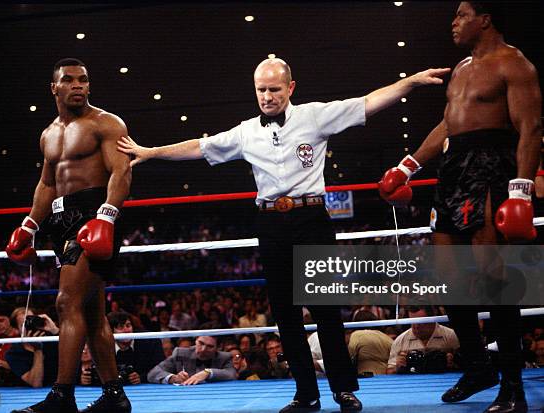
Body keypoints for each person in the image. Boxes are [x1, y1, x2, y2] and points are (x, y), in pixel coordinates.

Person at [118, 57, 448, 412]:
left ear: (290, 88)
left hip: (311, 219)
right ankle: (306, 393)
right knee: (286, 315)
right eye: (261, 90)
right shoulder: (246, 131)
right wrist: (152, 152)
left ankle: (342, 389)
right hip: (271, 222)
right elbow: (201, 147)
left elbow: (367, 103)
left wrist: (410, 83)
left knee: (326, 311)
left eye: (274, 89)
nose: (267, 96)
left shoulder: (314, 116)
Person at [378, 3, 541, 412]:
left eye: (462, 14)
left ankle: (513, 386)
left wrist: (520, 192)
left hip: (492, 167)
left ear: (485, 18)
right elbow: (448, 123)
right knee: (448, 275)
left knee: (495, 279)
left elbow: (531, 128)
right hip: (453, 170)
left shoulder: (515, 65)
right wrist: (408, 165)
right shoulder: (463, 68)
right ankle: (477, 365)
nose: (454, 22)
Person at [5, 58, 132, 413]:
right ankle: (115, 396)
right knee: (92, 313)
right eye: (69, 80)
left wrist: (107, 216)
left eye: (83, 80)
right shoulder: (48, 133)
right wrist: (29, 225)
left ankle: (62, 396)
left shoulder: (106, 123)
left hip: (95, 213)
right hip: (61, 219)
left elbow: (121, 172)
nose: (78, 85)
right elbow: (47, 183)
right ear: (55, 87)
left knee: (66, 302)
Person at [386, 307, 459, 374]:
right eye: (412, 321)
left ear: (432, 319)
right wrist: (397, 368)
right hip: (412, 384)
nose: (416, 326)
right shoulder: (400, 340)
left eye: (421, 322)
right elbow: (389, 372)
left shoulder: (450, 336)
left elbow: (466, 366)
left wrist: (454, 362)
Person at [147, 335, 236, 385]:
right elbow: (153, 373)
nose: (203, 349)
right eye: (201, 343)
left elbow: (231, 374)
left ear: (218, 348)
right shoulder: (180, 353)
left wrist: (208, 373)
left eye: (210, 346)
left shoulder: (224, 357)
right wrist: (173, 378)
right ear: (196, 340)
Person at [5, 308, 60, 388]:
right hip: (29, 396)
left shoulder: (51, 340)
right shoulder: (13, 353)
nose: (30, 326)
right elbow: (36, 383)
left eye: (32, 322)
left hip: (58, 391)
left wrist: (55, 330)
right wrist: (38, 349)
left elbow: (76, 349)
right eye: (25, 324)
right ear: (16, 330)